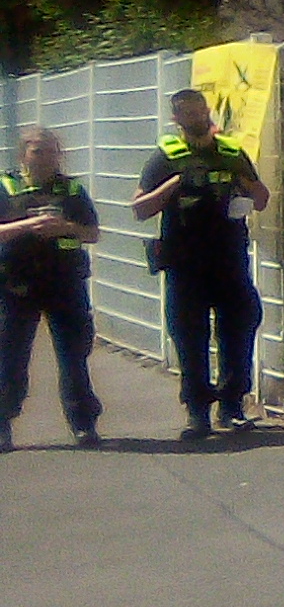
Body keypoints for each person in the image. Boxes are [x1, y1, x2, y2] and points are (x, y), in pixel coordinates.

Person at [134, 88, 270, 440]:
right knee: (189, 337)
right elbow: (139, 208)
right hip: (185, 263)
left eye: (200, 110)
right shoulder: (166, 157)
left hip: (228, 260)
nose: (196, 117)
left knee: (239, 328)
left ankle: (232, 406)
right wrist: (174, 185)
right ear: (176, 119)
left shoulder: (230, 152)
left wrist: (247, 185)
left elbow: (262, 199)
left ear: (208, 111)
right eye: (187, 113)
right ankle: (198, 413)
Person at [1, 126, 104, 449]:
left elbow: (92, 233)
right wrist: (28, 225)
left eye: (51, 152)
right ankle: (3, 424)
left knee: (74, 355)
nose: (45, 158)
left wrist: (65, 227)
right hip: (17, 283)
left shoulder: (71, 189)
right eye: (38, 151)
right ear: (23, 156)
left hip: (65, 283)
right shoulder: (6, 186)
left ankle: (83, 423)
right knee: (11, 357)